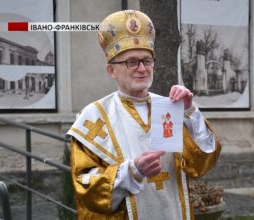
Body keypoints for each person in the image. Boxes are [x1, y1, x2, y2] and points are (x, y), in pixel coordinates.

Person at [67, 10, 221, 220]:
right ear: (111, 70)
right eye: (131, 62)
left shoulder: (170, 108)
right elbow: (85, 188)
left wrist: (190, 112)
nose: (142, 68)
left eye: (147, 60)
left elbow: (202, 165)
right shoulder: (94, 117)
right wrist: (132, 171)